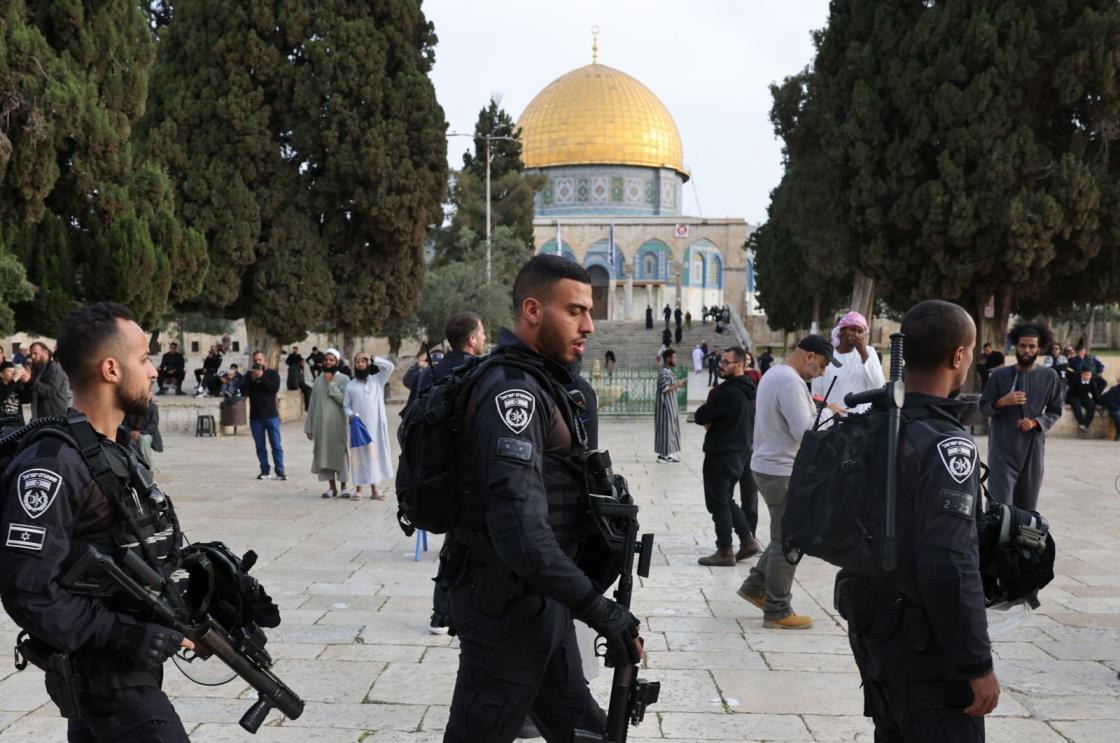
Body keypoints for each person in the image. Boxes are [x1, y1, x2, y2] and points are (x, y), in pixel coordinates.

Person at [443, 255, 638, 742]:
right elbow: (521, 532)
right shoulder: (513, 393)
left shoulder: (548, 384)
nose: (589, 326)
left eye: (588, 311)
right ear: (533, 309)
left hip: (541, 602)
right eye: (574, 311)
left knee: (589, 733)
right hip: (505, 611)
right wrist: (600, 609)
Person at [0, 303, 198, 741]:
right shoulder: (53, 464)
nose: (151, 371)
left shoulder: (112, 452)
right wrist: (124, 637)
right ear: (111, 369)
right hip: (106, 678)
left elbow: (137, 545)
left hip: (128, 675)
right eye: (144, 358)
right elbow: (28, 589)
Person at [836, 299, 998, 741]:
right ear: (958, 355)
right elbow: (948, 564)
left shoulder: (879, 424)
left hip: (876, 628)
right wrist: (976, 664)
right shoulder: (947, 445)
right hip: (925, 646)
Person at [737, 335, 838, 630]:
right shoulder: (791, 381)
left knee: (786, 532)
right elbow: (805, 431)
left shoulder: (776, 374)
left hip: (769, 466)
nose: (821, 372)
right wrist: (832, 413)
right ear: (809, 356)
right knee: (790, 539)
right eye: (821, 365)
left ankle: (756, 587)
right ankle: (777, 609)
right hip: (780, 470)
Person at [423, 312, 488, 635]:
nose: (486, 338)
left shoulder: (428, 373)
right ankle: (453, 613)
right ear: (472, 340)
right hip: (467, 476)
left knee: (453, 544)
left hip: (433, 474)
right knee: (463, 545)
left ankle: (442, 613)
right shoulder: (479, 372)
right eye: (483, 333)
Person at [978, 323, 1063, 511]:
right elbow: (983, 407)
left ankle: (1021, 541)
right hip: (1003, 448)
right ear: (1016, 346)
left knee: (1027, 507)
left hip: (1033, 450)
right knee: (999, 507)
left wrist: (1036, 422)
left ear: (1039, 348)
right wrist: (1002, 402)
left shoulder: (1050, 376)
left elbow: (1055, 410)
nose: (1027, 350)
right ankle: (995, 541)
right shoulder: (999, 375)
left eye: (1032, 346)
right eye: (1023, 346)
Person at [694, 347, 762, 566]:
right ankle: (747, 539)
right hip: (740, 454)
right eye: (720, 361)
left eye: (726, 362)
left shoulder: (727, 392)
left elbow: (701, 415)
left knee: (717, 503)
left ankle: (724, 550)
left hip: (721, 453)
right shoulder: (749, 390)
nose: (720, 365)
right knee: (725, 499)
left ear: (740, 365)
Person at [811, 311, 885, 417]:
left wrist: (864, 354)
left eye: (860, 332)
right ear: (841, 331)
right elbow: (816, 394)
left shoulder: (869, 352)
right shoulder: (827, 355)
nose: (856, 335)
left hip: (861, 422)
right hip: (832, 422)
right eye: (852, 330)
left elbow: (878, 385)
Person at [343, 352, 395, 499]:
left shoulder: (377, 380)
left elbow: (390, 367)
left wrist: (374, 358)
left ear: (367, 364)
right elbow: (346, 406)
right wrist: (351, 415)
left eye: (363, 361)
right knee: (358, 457)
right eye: (357, 362)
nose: (360, 364)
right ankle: (358, 489)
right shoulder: (350, 386)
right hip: (357, 428)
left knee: (373, 457)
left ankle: (374, 490)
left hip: (375, 427)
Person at [305, 348, 350, 498]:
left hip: (339, 425)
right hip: (321, 426)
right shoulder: (318, 381)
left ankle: (344, 487)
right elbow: (312, 405)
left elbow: (345, 401)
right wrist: (309, 427)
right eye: (325, 360)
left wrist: (332, 384)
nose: (328, 362)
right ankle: (332, 488)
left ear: (336, 362)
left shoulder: (344, 379)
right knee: (324, 455)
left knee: (341, 455)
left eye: (331, 360)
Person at [240, 351, 285, 481]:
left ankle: (280, 470)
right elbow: (243, 391)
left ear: (264, 360)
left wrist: (262, 377)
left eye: (260, 360)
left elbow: (274, 388)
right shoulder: (249, 375)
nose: (257, 362)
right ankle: (264, 470)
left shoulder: (272, 373)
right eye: (255, 360)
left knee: (276, 445)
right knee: (260, 446)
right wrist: (252, 380)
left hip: (271, 416)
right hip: (255, 417)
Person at [28, 341, 72, 419]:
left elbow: (50, 391)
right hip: (41, 418)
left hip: (53, 418)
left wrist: (30, 380)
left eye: (35, 353)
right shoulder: (39, 369)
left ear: (45, 353)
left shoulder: (53, 368)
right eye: (31, 354)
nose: (33, 357)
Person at [655, 348, 685, 463]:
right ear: (668, 358)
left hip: (670, 407)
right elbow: (665, 389)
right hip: (665, 409)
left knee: (670, 431)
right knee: (665, 431)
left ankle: (668, 454)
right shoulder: (663, 373)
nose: (676, 359)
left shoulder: (668, 371)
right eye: (674, 357)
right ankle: (663, 455)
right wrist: (677, 385)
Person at [122, 399, 163, 467]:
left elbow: (153, 424)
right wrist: (130, 432)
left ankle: (148, 464)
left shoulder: (153, 407)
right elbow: (125, 423)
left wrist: (140, 432)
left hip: (147, 433)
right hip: (132, 432)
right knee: (127, 440)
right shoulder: (130, 407)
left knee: (144, 439)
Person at [1066, 368, 1105, 432]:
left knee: (1091, 407)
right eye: (1085, 375)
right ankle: (1081, 423)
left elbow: (1095, 394)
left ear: (1091, 376)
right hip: (1075, 398)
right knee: (1076, 407)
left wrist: (1098, 403)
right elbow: (1069, 393)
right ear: (1081, 375)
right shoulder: (1076, 381)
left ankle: (1086, 425)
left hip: (1085, 397)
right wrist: (1067, 403)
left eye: (1088, 375)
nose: (1086, 376)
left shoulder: (1092, 382)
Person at [0, 361, 31, 426]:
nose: (13, 373)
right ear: (1, 374)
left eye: (14, 371)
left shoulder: (16, 385)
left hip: (17, 423)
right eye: (9, 371)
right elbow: (3, 396)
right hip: (3, 424)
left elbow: (27, 400)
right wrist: (14, 380)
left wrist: (26, 383)